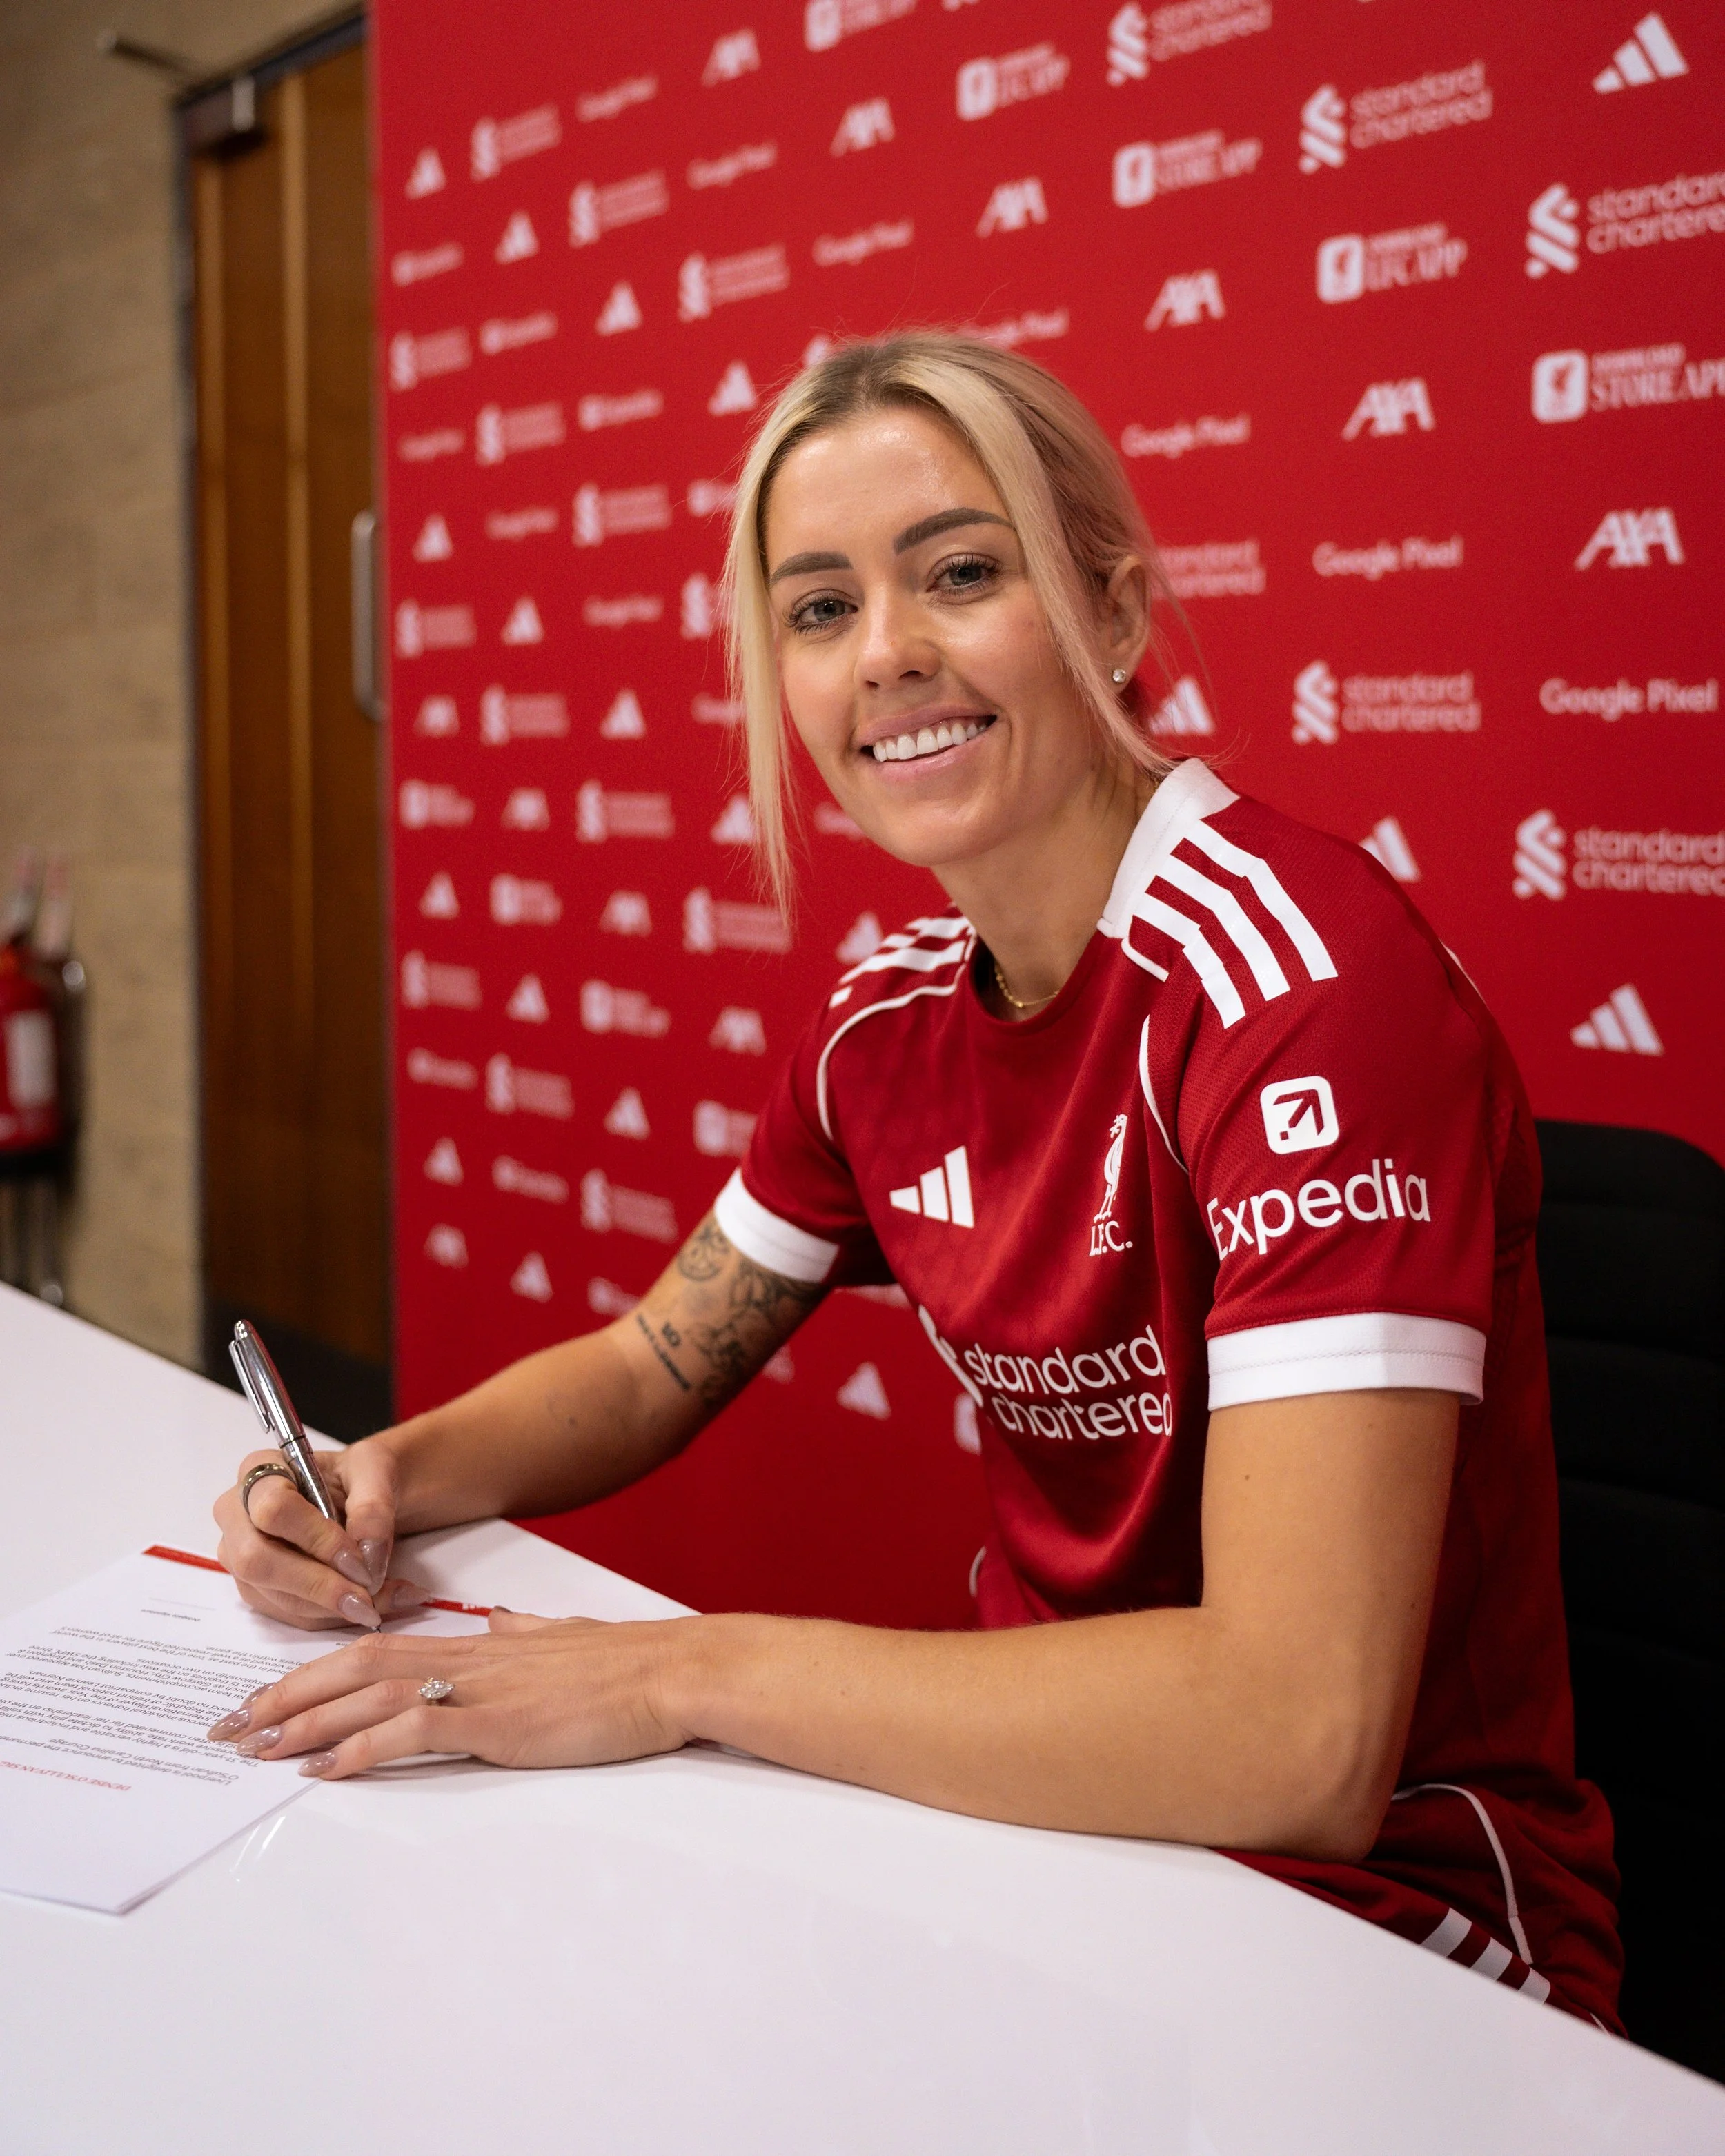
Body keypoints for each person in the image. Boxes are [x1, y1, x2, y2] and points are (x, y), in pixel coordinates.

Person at [208, 333, 1621, 2028]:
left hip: (1394, 1928)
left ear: (1107, 613)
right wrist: (376, 1477)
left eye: (958, 572)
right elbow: (658, 1359)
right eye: (816, 608)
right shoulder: (881, 1014)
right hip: (1054, 1852)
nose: (885, 652)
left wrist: (682, 1667)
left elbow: (1292, 1733)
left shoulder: (1306, 986)